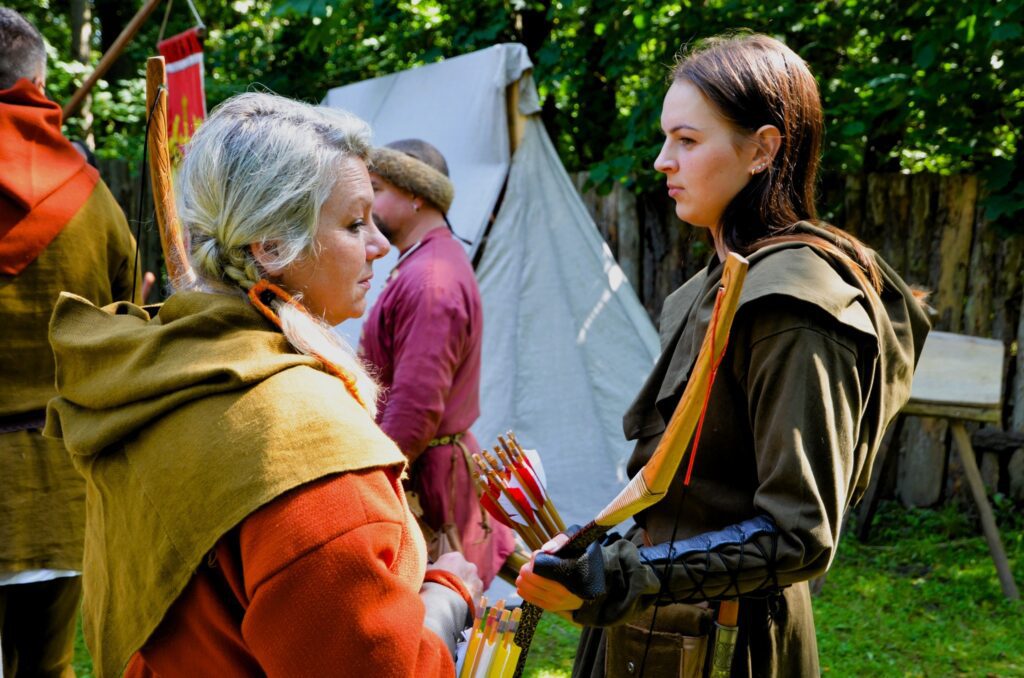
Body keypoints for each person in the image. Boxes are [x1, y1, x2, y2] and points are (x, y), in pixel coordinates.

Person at [516, 33, 930, 677]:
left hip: (729, 645)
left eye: (687, 140)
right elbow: (688, 494)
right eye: (666, 139)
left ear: (762, 149)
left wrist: (626, 574)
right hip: (653, 631)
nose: (663, 161)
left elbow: (797, 534)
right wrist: (597, 555)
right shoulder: (714, 286)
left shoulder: (793, 305)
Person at [44, 93, 482, 677]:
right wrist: (447, 599)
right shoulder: (305, 444)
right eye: (354, 223)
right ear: (271, 246)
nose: (378, 243)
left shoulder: (161, 371)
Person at [0, 8, 139, 676]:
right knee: (45, 668)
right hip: (58, 485)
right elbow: (125, 333)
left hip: (57, 482)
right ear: (36, 84)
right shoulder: (92, 200)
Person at [361, 139, 515, 587]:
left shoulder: (431, 280)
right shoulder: (425, 263)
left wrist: (374, 484)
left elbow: (415, 407)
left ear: (417, 195)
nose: (367, 203)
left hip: (429, 483)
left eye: (377, 189)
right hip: (429, 470)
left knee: (442, 608)